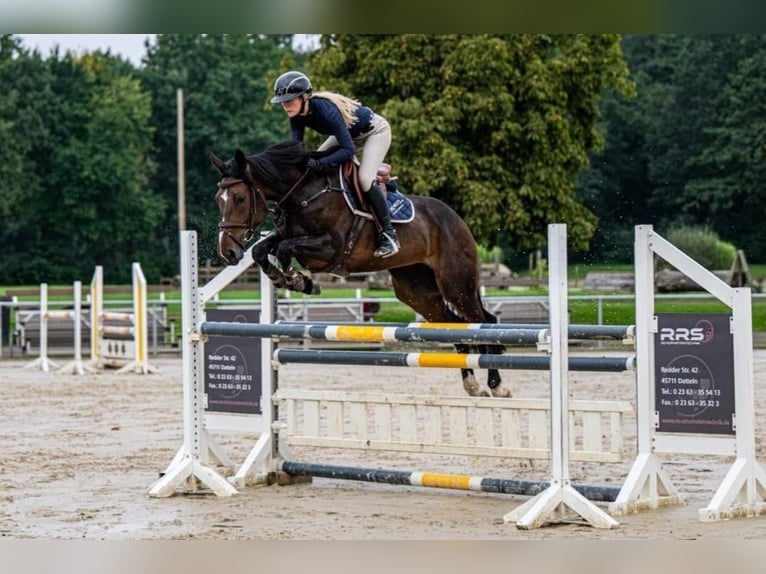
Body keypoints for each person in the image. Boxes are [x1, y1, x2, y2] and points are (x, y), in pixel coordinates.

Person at [270, 70, 400, 258]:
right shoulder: (296, 116)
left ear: (305, 97)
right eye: (283, 102)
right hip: (348, 135)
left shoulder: (326, 110)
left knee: (364, 179)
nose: (286, 106)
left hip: (374, 132)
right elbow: (296, 148)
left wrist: (321, 163)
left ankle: (389, 234)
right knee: (312, 167)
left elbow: (348, 150)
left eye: (290, 101)